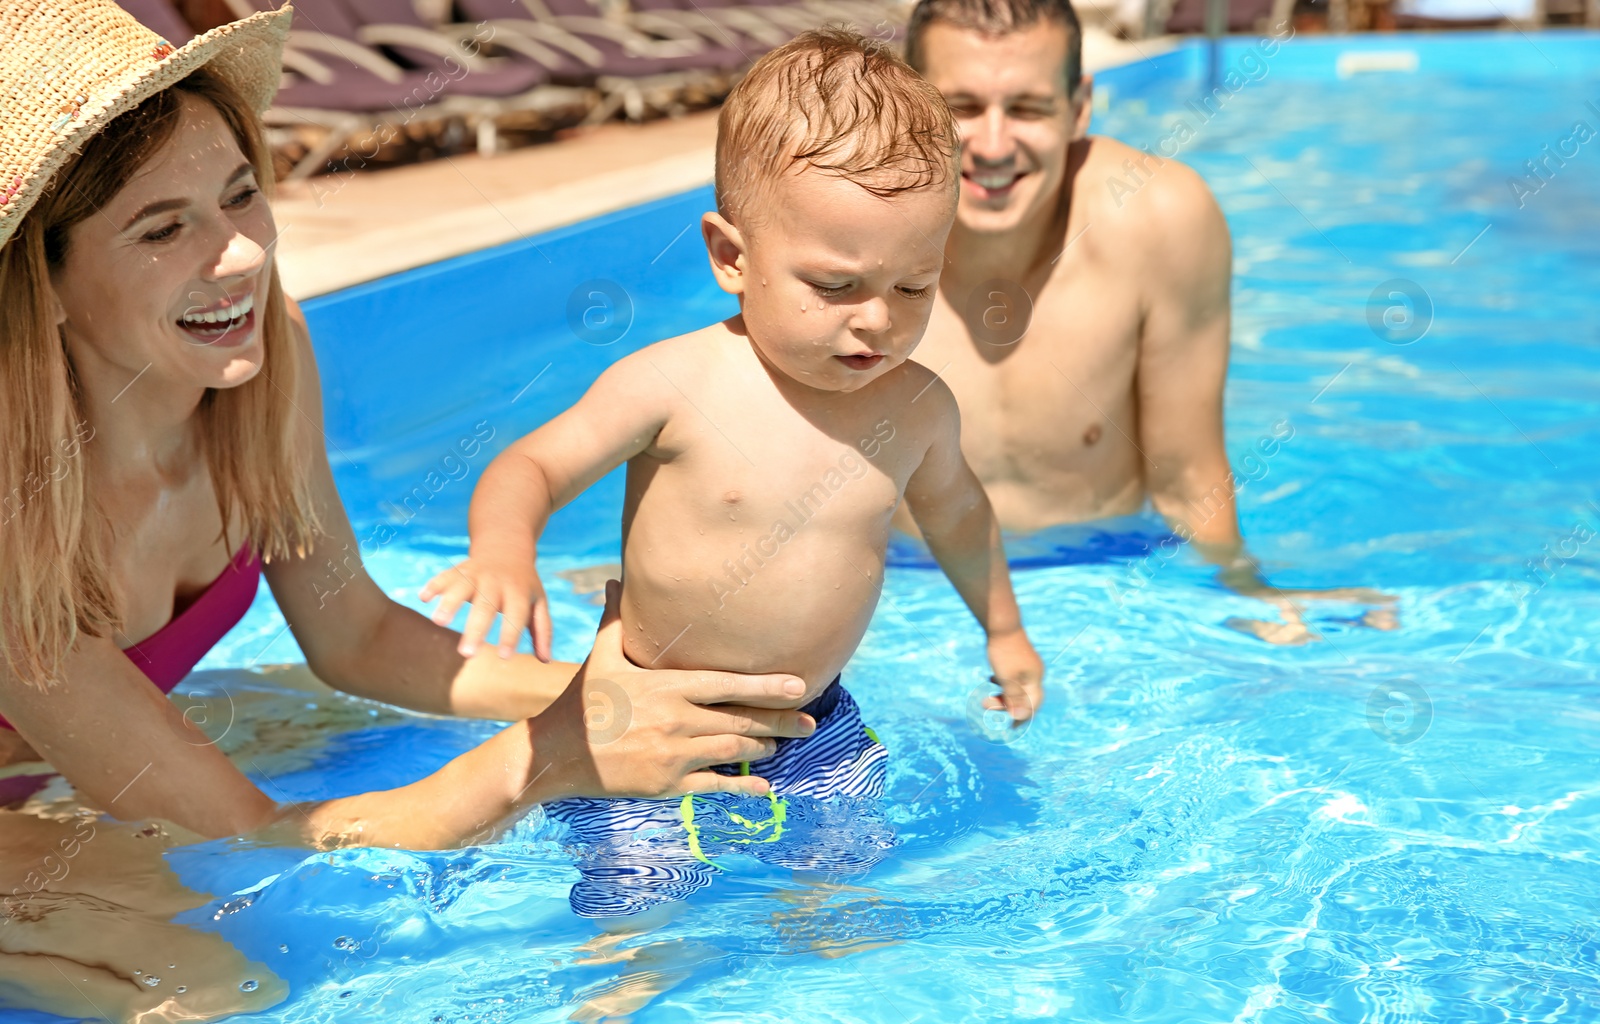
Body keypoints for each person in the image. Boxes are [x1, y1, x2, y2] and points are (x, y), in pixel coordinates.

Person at [0, 2, 812, 1017]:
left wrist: (617, 696)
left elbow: (356, 634)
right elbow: (249, 835)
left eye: (240, 195)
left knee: (326, 728)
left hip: (64, 762)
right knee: (220, 975)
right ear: (48, 279)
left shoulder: (255, 363)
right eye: (164, 229)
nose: (241, 255)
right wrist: (551, 755)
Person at [421, 28, 1045, 920]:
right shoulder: (674, 385)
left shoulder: (916, 408)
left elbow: (959, 515)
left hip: (814, 725)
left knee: (845, 901)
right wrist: (502, 552)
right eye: (835, 286)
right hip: (650, 724)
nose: (877, 321)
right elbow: (533, 463)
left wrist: (1006, 632)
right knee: (637, 919)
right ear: (731, 257)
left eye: (914, 287)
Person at [897, 0, 1393, 643]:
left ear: (1079, 106)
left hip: (1103, 587)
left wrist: (1242, 591)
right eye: (960, 108)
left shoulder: (1159, 218)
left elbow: (1188, 476)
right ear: (909, 107)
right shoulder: (850, 234)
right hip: (905, 591)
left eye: (1027, 108)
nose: (992, 145)